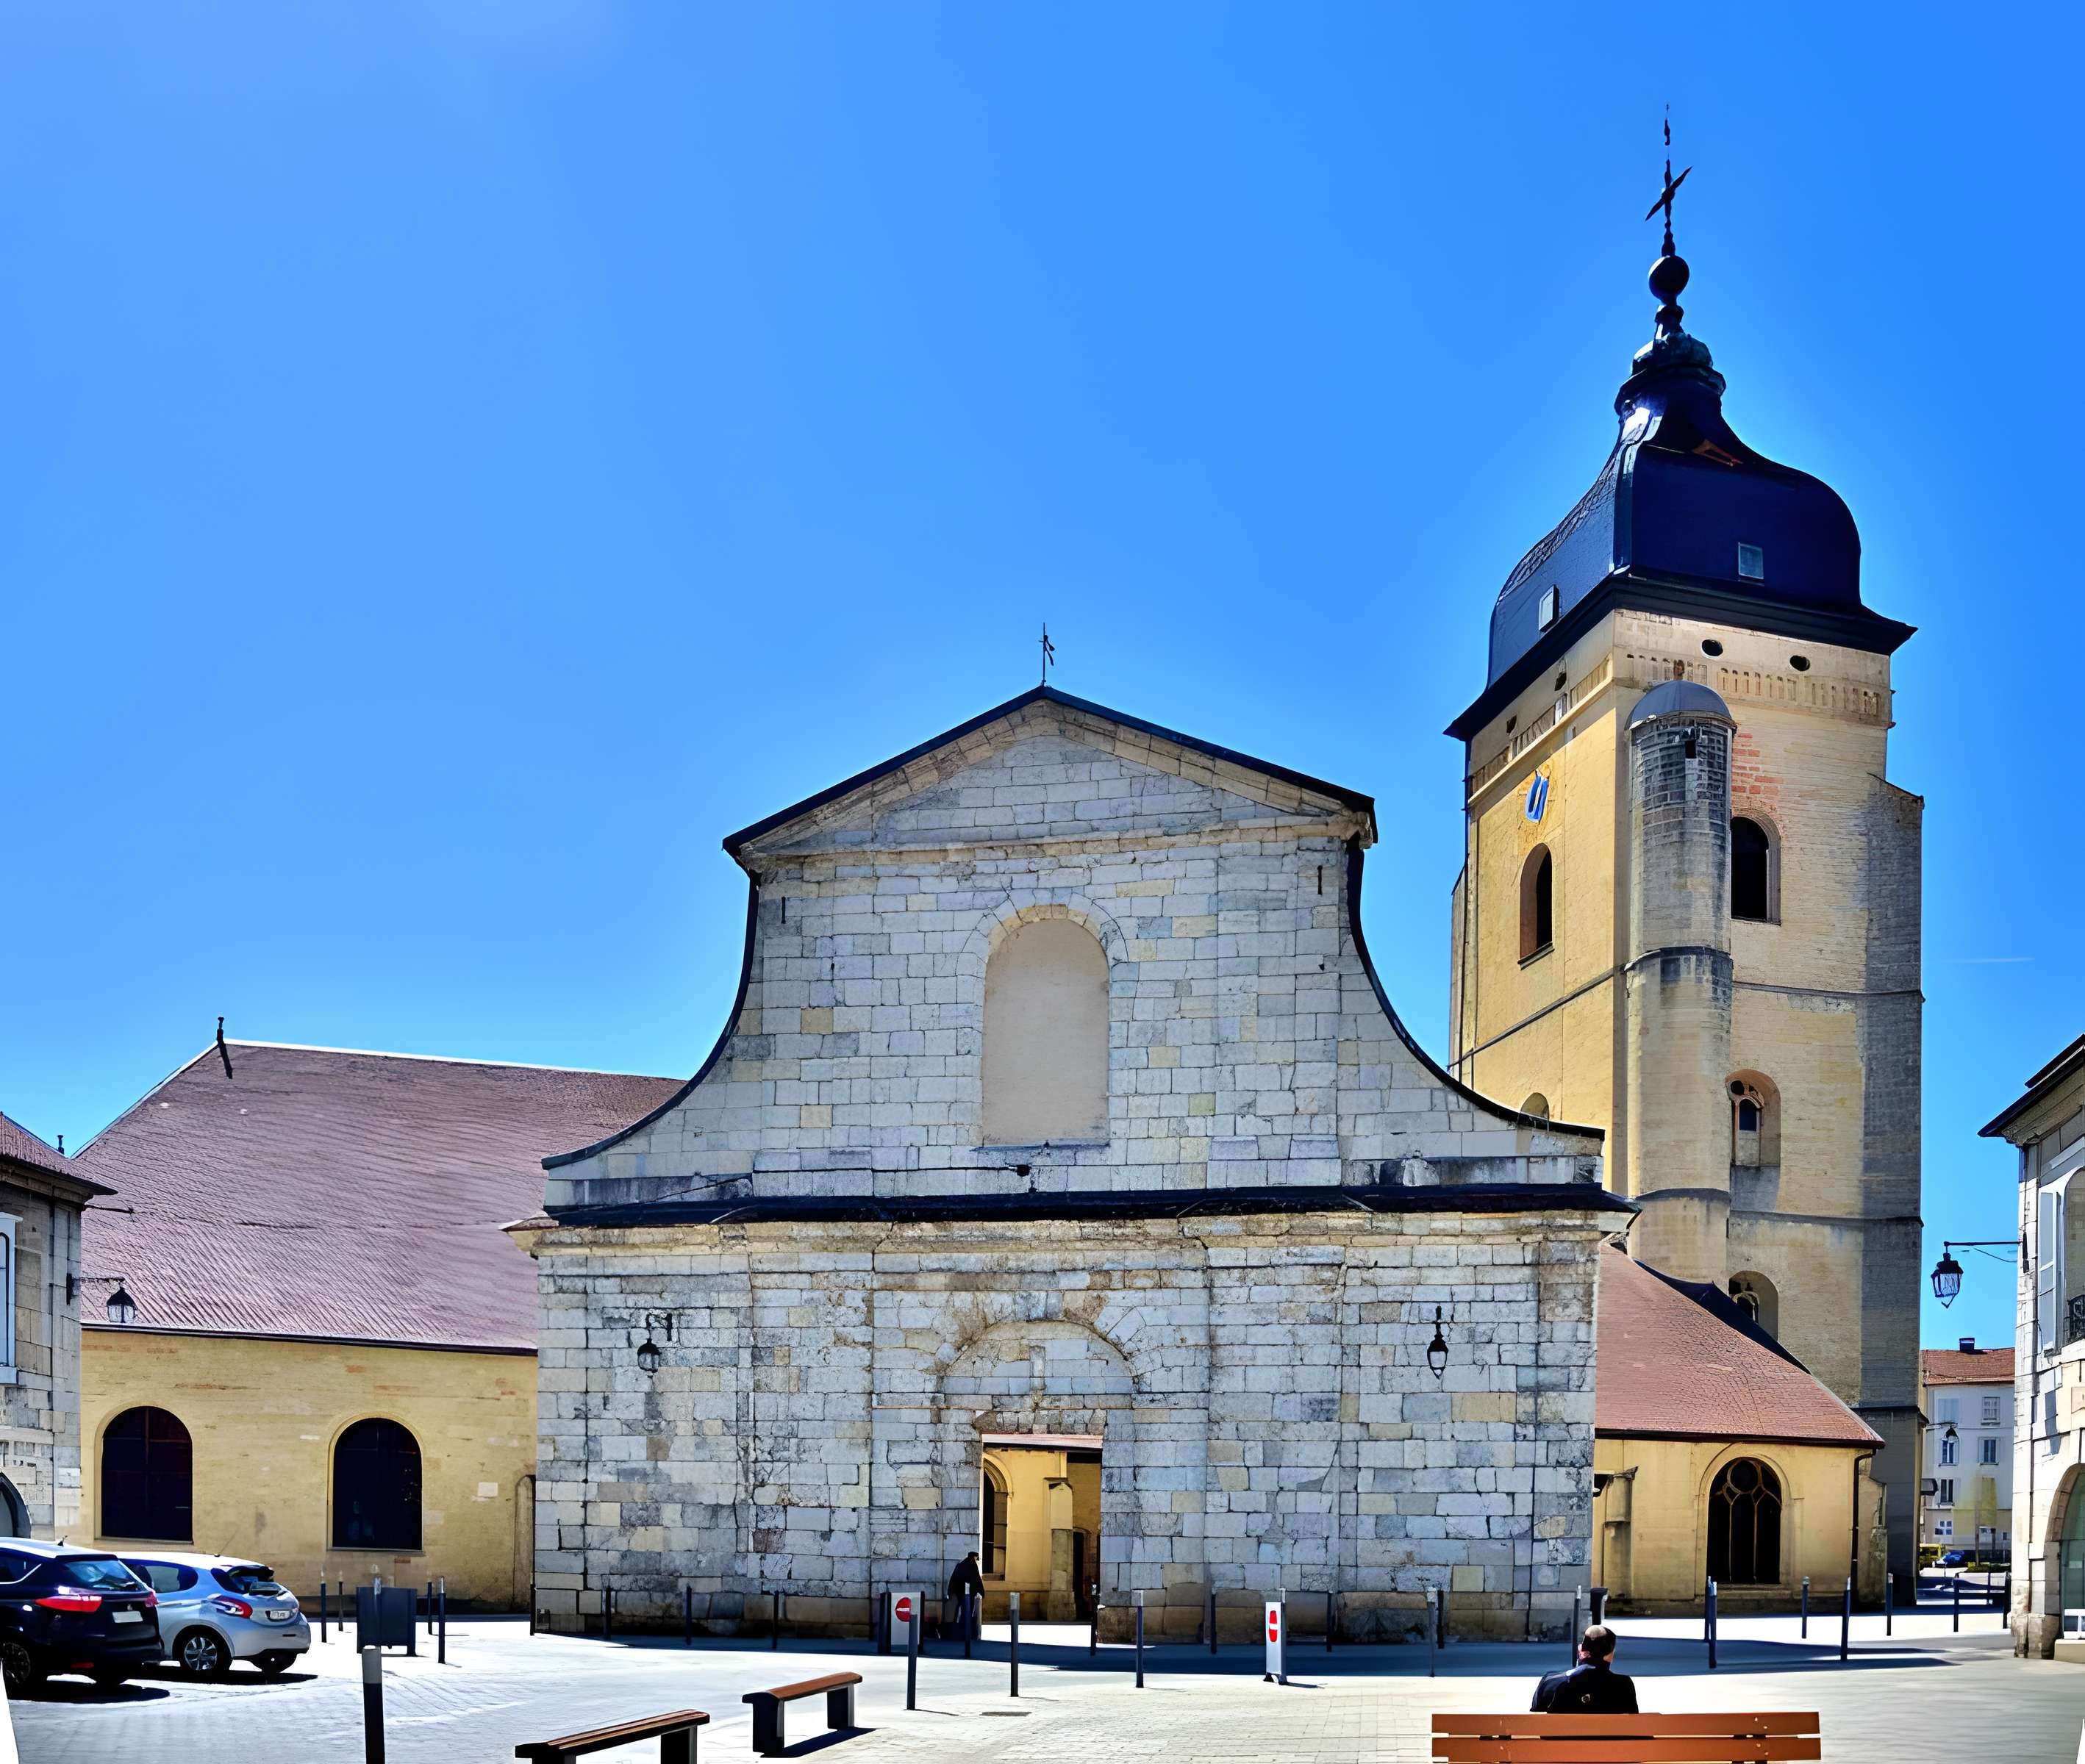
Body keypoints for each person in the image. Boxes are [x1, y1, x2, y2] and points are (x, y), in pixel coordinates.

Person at [1531, 1624, 1638, 1714]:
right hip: (1609, 1738)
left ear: (1581, 1650)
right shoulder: (1623, 1685)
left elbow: (1536, 1721)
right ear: (1610, 1656)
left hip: (1562, 1738)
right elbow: (1633, 1724)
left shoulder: (1550, 1682)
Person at [944, 1551, 985, 1639]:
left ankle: (956, 1633)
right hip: (967, 1594)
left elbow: (953, 1579)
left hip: (957, 1593)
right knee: (967, 1613)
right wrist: (982, 1592)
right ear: (974, 1557)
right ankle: (966, 1633)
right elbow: (977, 1579)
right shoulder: (972, 1565)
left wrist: (950, 1592)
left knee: (957, 1613)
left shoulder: (961, 1564)